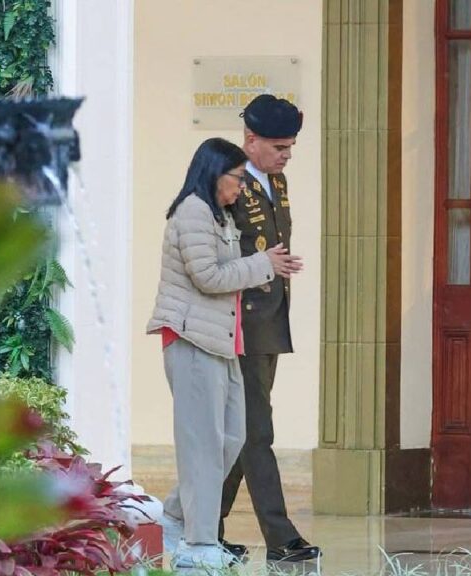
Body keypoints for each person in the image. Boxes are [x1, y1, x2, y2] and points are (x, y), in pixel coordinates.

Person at [147, 137, 302, 569]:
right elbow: (208, 277)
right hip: (191, 340)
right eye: (236, 178)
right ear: (215, 175)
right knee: (202, 446)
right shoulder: (193, 212)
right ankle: (198, 545)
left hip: (222, 341)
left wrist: (260, 265)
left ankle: (174, 517)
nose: (240, 187)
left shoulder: (218, 214)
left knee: (231, 439)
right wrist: (264, 264)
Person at [218, 95, 321, 563]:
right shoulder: (230, 183)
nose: (286, 155)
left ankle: (204, 528)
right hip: (241, 322)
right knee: (257, 431)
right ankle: (281, 539)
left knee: (243, 432)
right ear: (251, 140)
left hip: (271, 320)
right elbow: (221, 254)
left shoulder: (276, 181)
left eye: (290, 147)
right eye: (279, 147)